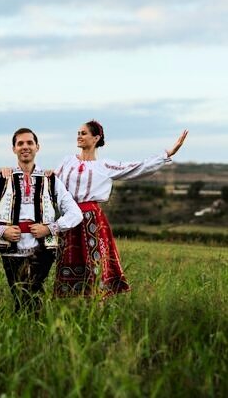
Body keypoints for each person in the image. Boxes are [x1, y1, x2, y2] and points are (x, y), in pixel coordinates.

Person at [53, 121, 188, 299]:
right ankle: (67, 303)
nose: (79, 136)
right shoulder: (67, 161)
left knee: (95, 262)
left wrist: (167, 154)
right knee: (68, 257)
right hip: (70, 217)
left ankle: (96, 305)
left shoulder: (105, 166)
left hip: (92, 220)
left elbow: (138, 168)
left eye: (84, 133)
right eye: (78, 132)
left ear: (96, 138)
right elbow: (51, 184)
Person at [0, 128, 83, 313]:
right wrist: (0, 230)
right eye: (20, 143)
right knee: (19, 296)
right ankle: (25, 334)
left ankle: (34, 333)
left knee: (33, 293)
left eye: (29, 143)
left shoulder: (50, 180)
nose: (25, 147)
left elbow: (75, 213)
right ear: (13, 149)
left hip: (43, 247)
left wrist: (51, 228)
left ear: (37, 147)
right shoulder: (3, 179)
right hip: (11, 248)